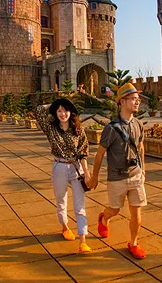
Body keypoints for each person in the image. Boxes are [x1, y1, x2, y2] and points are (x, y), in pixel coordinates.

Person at [90, 83, 147, 259]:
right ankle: (104, 218)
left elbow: (141, 147)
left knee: (136, 212)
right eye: (133, 99)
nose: (137, 102)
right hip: (117, 177)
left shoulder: (138, 124)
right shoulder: (110, 128)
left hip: (135, 175)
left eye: (138, 99)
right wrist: (94, 178)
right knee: (115, 209)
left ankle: (134, 243)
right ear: (122, 101)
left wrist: (143, 170)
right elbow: (100, 154)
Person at [35, 98, 91, 254]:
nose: (63, 114)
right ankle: (65, 227)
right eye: (59, 111)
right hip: (59, 166)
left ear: (71, 112)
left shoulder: (78, 130)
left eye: (66, 110)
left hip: (76, 168)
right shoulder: (50, 128)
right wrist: (53, 104)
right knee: (61, 201)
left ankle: (83, 241)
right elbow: (38, 110)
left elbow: (83, 152)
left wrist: (86, 173)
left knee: (80, 206)